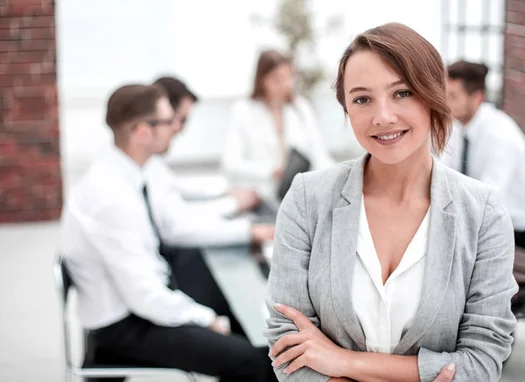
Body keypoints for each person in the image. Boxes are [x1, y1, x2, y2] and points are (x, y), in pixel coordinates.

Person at [264, 23, 518, 382]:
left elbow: (481, 363)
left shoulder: (483, 213)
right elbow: (287, 345)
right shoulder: (307, 198)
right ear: (347, 109)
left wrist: (344, 362)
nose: (383, 116)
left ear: (433, 95)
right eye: (362, 99)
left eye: (402, 93)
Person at [61, 84, 276, 381]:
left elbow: (168, 229)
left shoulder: (125, 172)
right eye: (167, 121)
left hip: (138, 304)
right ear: (141, 131)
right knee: (254, 362)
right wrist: (206, 319)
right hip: (125, 326)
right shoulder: (112, 198)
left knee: (236, 319)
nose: (175, 127)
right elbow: (145, 297)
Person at [441, 60, 525, 247]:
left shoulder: (500, 135)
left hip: (512, 231)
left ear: (477, 98)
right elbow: (443, 175)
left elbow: (490, 200)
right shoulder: (456, 126)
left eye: (452, 96)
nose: (445, 103)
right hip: (474, 223)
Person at [221, 49, 335, 198]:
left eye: (288, 77)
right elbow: (231, 165)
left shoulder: (301, 108)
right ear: (261, 80)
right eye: (276, 79)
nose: (285, 85)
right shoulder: (242, 111)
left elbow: (319, 156)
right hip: (260, 196)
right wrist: (271, 171)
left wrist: (339, 175)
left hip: (299, 195)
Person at [151, 76, 260, 217]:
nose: (180, 129)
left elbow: (176, 186)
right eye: (182, 119)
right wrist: (234, 204)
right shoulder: (146, 166)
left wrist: (225, 192)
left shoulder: (154, 163)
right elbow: (175, 222)